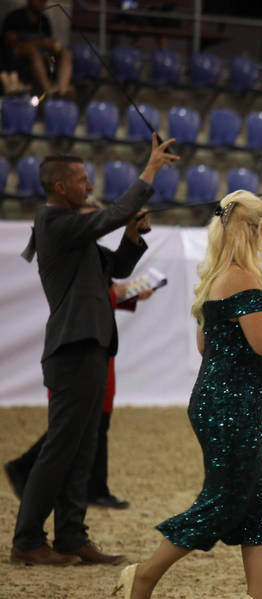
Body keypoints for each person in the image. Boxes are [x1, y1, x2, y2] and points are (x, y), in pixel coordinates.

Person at [115, 190, 262, 599]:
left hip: (217, 402)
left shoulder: (215, 281)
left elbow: (206, 344)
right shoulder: (244, 280)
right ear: (254, 230)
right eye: (259, 227)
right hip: (231, 407)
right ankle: (144, 575)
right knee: (225, 501)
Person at [11, 133, 178, 567]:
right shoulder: (53, 223)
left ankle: (70, 536)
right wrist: (150, 170)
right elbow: (115, 211)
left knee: (82, 447)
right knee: (62, 447)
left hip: (89, 347)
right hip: (73, 349)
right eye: (83, 180)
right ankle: (27, 539)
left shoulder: (74, 235)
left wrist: (132, 235)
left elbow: (118, 268)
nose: (89, 186)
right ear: (61, 187)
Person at [5, 277, 154, 510]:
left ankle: (92, 488)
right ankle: (26, 467)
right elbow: (89, 298)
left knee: (92, 422)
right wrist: (121, 292)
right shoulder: (76, 257)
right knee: (77, 423)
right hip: (83, 347)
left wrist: (127, 294)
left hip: (96, 344)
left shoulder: (90, 257)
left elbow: (102, 295)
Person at [2, 0, 73, 98]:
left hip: (43, 54)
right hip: (18, 54)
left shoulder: (44, 20)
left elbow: (48, 43)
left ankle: (62, 91)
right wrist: (41, 42)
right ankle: (49, 92)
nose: (42, 3)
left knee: (66, 53)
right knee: (33, 51)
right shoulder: (15, 17)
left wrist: (53, 45)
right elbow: (10, 43)